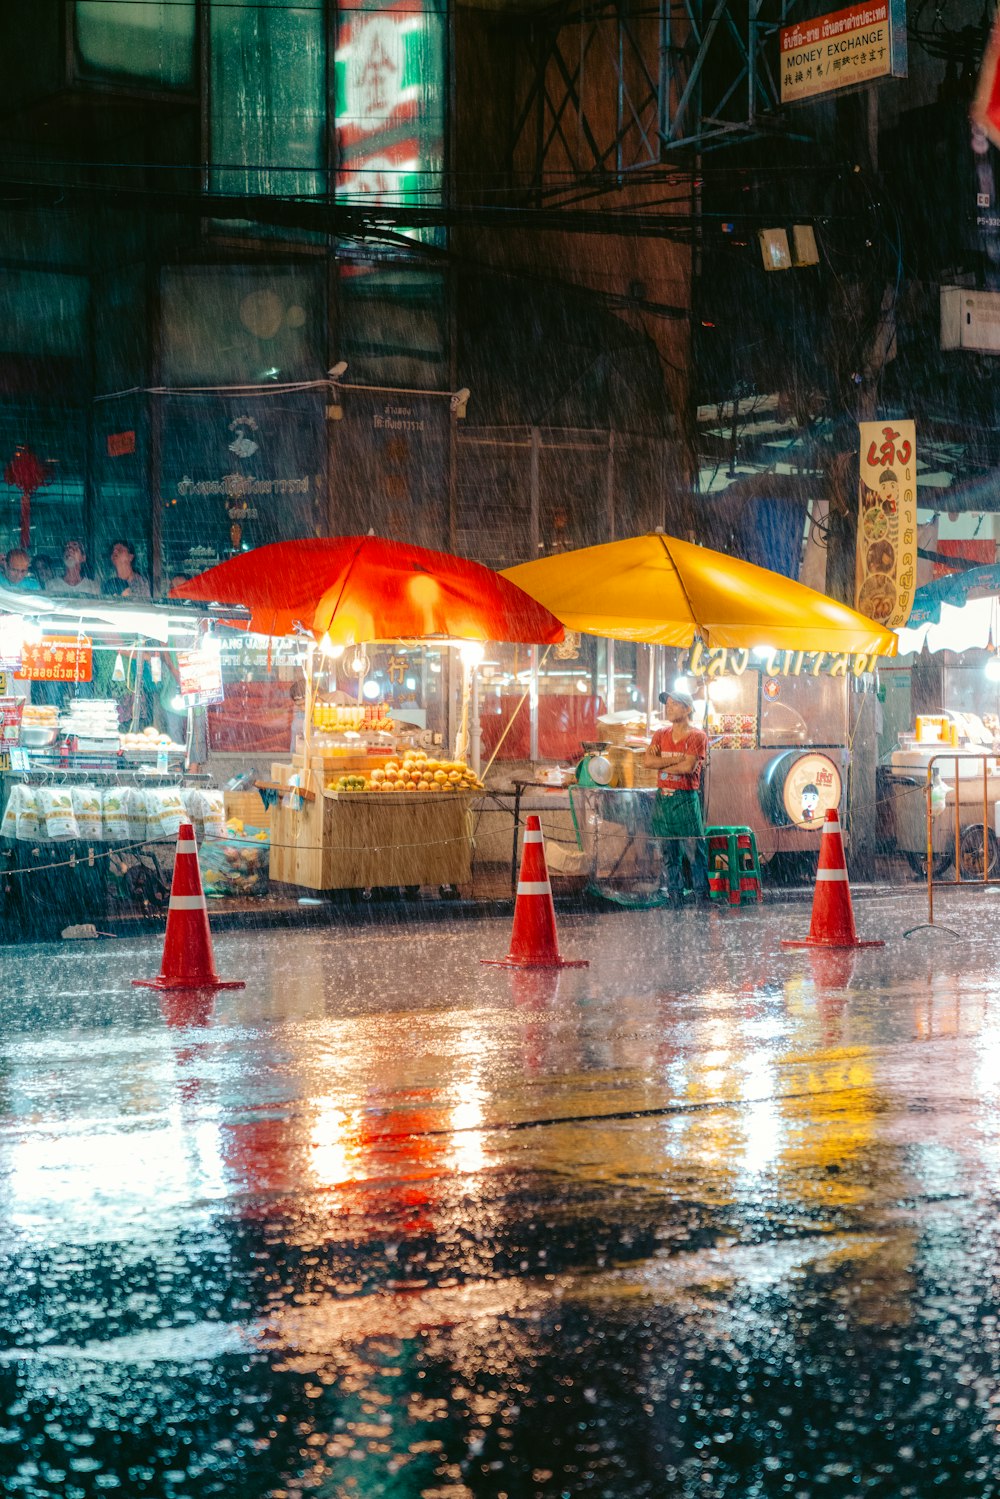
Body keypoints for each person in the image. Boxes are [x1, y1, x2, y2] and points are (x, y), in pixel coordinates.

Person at [644, 688, 709, 907]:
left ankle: (701, 894)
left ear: (687, 708)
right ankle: (675, 895)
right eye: (667, 704)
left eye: (674, 704)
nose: (668, 707)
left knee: (694, 851)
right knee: (669, 852)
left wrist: (664, 763)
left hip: (686, 798)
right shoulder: (660, 734)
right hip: (664, 799)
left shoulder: (697, 736)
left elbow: (689, 767)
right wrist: (676, 761)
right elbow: (648, 762)